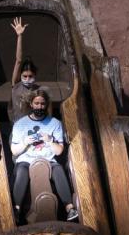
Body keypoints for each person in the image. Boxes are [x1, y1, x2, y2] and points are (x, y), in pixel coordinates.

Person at [10, 88, 79, 222]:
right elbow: (14, 151)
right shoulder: (20, 124)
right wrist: (25, 142)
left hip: (48, 160)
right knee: (21, 171)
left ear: (46, 105)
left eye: (42, 104)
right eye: (36, 103)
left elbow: (59, 151)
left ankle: (69, 208)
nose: (39, 106)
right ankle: (16, 209)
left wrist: (50, 141)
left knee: (58, 170)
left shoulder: (55, 124)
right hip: (26, 160)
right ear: (31, 104)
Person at [9, 17, 39, 122]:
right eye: (25, 76)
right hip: (17, 124)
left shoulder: (38, 91)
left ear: (35, 76)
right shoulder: (16, 85)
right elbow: (18, 60)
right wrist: (20, 36)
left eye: (30, 76)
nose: (27, 79)